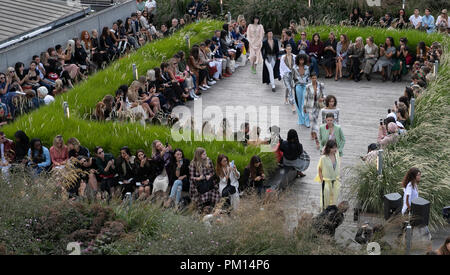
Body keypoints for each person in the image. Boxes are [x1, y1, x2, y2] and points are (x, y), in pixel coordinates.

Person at [189, 147, 220, 212]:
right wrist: (198, 178)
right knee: (201, 192)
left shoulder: (208, 160)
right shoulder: (193, 163)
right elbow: (191, 177)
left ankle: (211, 207)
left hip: (208, 181)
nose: (205, 155)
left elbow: (213, 172)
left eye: (205, 154)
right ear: (199, 155)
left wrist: (210, 175)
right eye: (203, 154)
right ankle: (202, 208)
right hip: (199, 184)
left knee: (215, 190)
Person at [315, 140, 341, 211]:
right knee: (325, 200)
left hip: (335, 182)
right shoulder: (323, 158)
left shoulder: (337, 155)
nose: (335, 149)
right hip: (326, 182)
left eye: (336, 147)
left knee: (334, 199)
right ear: (329, 148)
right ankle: (324, 215)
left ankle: (332, 214)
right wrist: (322, 180)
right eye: (333, 148)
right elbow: (319, 169)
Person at [304, 73, 325, 148]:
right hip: (310, 106)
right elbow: (306, 97)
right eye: (313, 78)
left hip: (318, 106)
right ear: (310, 78)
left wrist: (323, 98)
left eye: (315, 78)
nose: (314, 79)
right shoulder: (308, 86)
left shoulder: (321, 85)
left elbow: (324, 95)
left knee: (314, 121)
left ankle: (313, 133)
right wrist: (304, 107)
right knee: (313, 121)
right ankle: (317, 140)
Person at [293, 54, 310, 127]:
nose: (301, 61)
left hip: (306, 86)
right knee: (299, 104)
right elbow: (293, 78)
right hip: (298, 86)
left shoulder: (307, 68)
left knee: (305, 103)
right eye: (300, 60)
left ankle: (307, 121)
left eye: (303, 60)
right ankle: (301, 120)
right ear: (298, 60)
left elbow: (308, 77)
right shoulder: (294, 68)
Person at [279, 44, 296, 112]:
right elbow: (281, 66)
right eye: (287, 49)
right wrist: (282, 74)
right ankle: (293, 105)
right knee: (289, 88)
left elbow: (296, 65)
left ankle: (286, 97)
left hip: (292, 74)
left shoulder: (294, 56)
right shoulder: (283, 57)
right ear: (285, 50)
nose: (289, 50)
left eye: (290, 49)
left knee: (290, 87)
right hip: (285, 75)